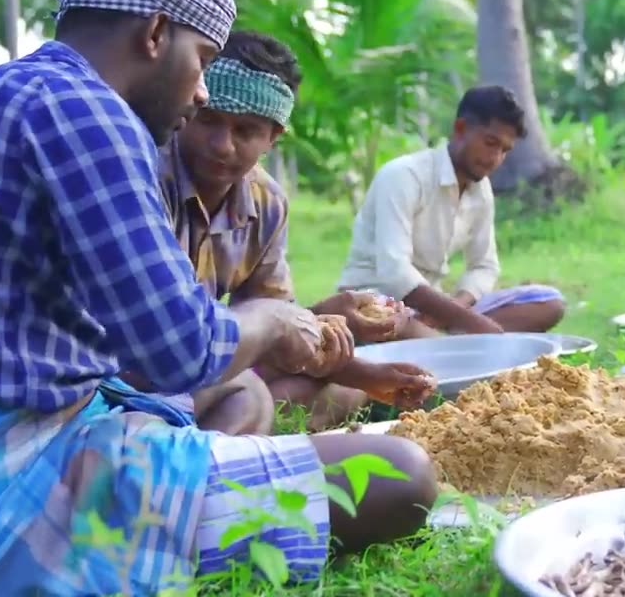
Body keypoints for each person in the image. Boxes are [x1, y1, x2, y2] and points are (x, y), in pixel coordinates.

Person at [0, 0, 437, 596]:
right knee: (397, 474)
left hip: (39, 415)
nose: (203, 90)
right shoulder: (90, 113)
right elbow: (180, 350)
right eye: (204, 62)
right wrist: (269, 321)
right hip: (1, 482)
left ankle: (184, 481)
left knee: (251, 394)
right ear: (156, 34)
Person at [159, 30, 438, 435]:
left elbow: (272, 325)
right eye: (210, 121)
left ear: (273, 137)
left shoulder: (265, 202)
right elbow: (169, 338)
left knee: (346, 393)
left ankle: (231, 423)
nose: (222, 145)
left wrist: (364, 372)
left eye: (246, 131)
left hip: (211, 362)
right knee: (250, 390)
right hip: (144, 370)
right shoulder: (148, 176)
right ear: (189, 108)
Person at [337, 85, 566, 335]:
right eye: (490, 143)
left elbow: (484, 266)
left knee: (549, 303)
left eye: (504, 150)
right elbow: (395, 273)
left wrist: (457, 309)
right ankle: (458, 342)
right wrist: (470, 322)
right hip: (377, 304)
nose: (495, 159)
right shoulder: (404, 176)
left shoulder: (480, 189)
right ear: (460, 129)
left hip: (435, 310)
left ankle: (455, 339)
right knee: (424, 337)